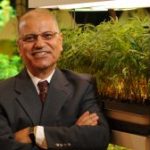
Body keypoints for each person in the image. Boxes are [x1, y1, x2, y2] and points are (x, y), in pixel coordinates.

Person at [0, 8, 109, 150]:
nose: (39, 44)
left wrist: (36, 133)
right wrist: (73, 133)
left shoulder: (83, 86)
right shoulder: (2, 93)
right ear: (20, 47)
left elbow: (98, 139)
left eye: (47, 35)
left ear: (60, 42)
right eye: (30, 38)